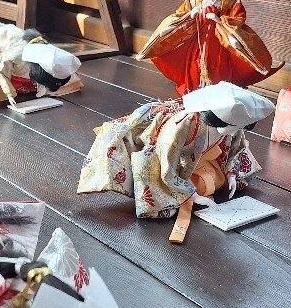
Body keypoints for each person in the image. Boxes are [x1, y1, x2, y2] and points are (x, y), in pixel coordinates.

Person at [77, 81, 275, 242]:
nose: (234, 132)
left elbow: (236, 146)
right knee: (161, 187)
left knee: (222, 182)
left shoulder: (233, 123)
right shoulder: (182, 125)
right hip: (168, 161)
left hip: (200, 160)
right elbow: (166, 164)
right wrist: (190, 195)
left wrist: (231, 173)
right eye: (233, 127)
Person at [136, 0, 282, 96]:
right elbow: (179, 15)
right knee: (195, 65)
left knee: (220, 67)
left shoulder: (231, 2)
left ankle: (218, 93)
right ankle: (196, 89)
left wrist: (219, 20)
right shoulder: (194, 1)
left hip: (219, 42)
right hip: (199, 40)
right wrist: (190, 15)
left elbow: (237, 18)